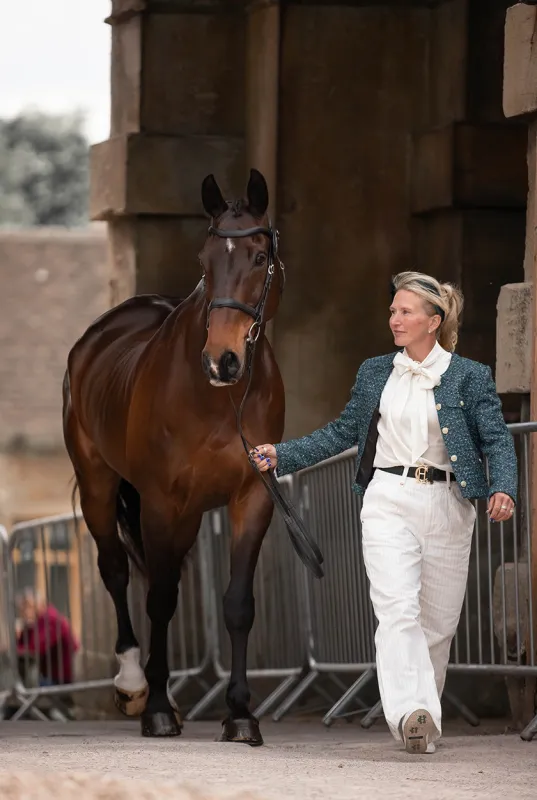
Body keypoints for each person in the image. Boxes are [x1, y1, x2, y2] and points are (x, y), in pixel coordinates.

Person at [251, 270, 517, 755]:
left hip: (448, 504)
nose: (393, 318)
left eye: (405, 311)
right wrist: (283, 454)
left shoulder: (470, 375)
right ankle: (407, 711)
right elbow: (342, 432)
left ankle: (423, 722)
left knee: (438, 624)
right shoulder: (376, 371)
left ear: (433, 321)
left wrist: (503, 488)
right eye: (393, 310)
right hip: (387, 498)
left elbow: (497, 439)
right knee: (397, 610)